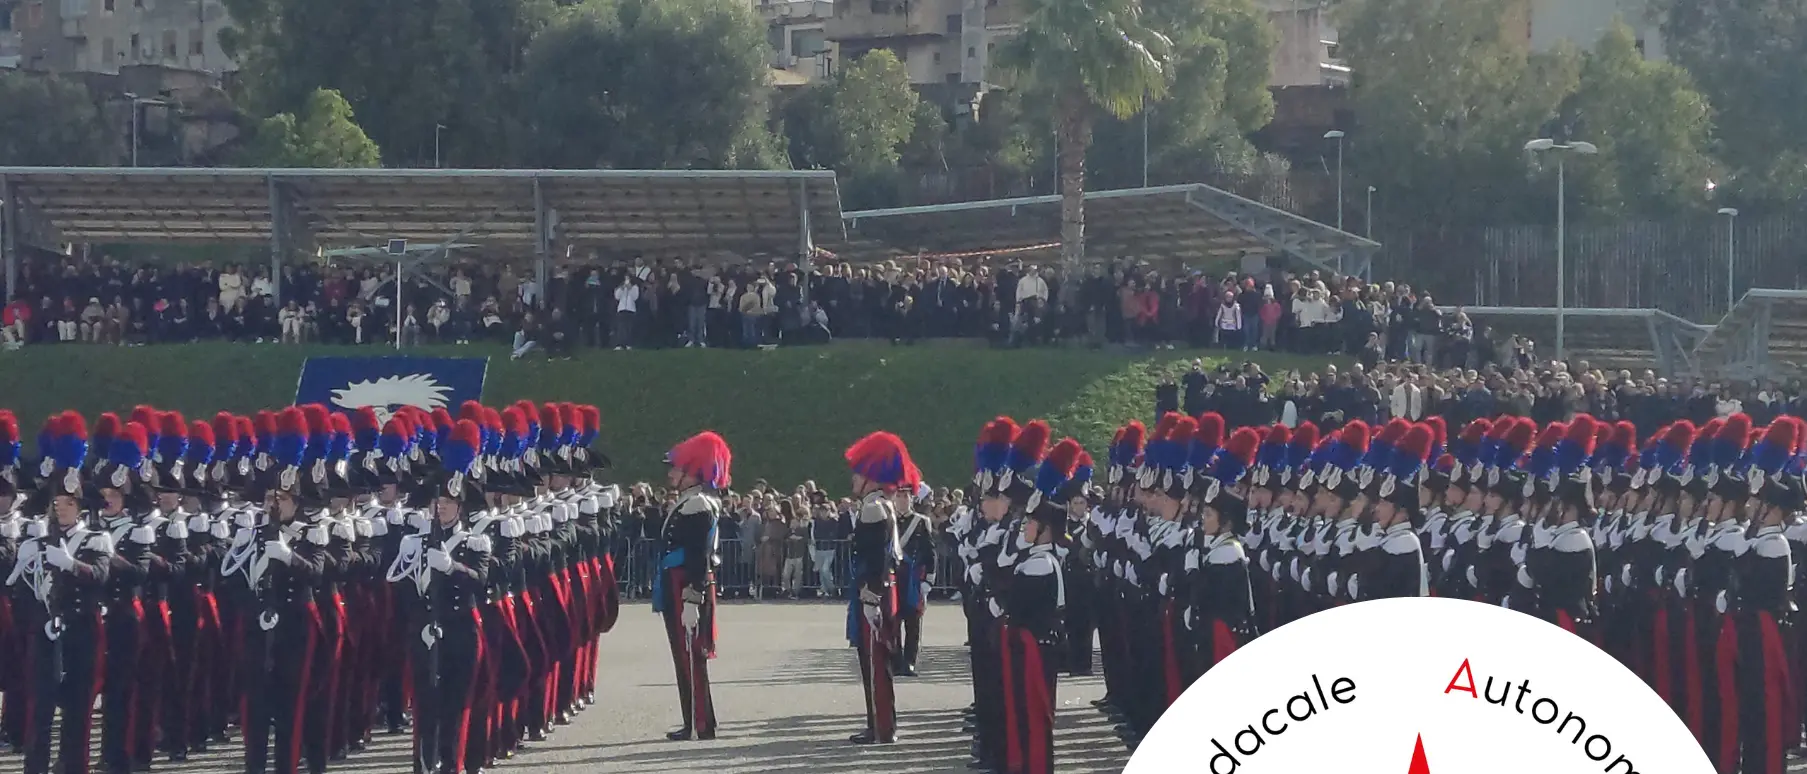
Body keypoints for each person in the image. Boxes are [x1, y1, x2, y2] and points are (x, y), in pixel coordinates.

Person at [10, 413, 112, 774]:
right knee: (41, 705)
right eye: (57, 504)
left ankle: (74, 766)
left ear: (80, 507)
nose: (61, 508)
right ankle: (34, 767)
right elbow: (21, 588)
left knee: (79, 707)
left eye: (68, 504)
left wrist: (70, 564)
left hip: (82, 627)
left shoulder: (96, 539)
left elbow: (100, 575)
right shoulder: (38, 538)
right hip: (46, 629)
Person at [998, 436, 1077, 774]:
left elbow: (1013, 601)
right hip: (1034, 645)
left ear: (1044, 530)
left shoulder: (1039, 564)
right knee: (1028, 713)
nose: (1025, 526)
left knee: (1035, 713)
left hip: (1036, 647)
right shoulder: (1034, 559)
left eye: (1031, 523)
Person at [842, 431, 921, 744]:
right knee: (874, 660)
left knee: (875, 662)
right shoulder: (881, 504)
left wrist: (870, 593)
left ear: (872, 478)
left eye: (859, 475)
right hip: (878, 589)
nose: (854, 480)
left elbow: (877, 557)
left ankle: (882, 727)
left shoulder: (874, 508)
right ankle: (879, 724)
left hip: (874, 590)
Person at [655, 430, 731, 741]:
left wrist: (692, 596)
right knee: (685, 655)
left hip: (685, 583)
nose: (671, 473)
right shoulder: (692, 501)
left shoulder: (697, 504)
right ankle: (696, 720)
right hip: (678, 580)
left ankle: (700, 722)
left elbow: (699, 555)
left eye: (676, 468)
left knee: (690, 656)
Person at [894, 482, 936, 677]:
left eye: (906, 496)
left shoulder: (920, 521)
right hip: (894, 577)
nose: (903, 500)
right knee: (893, 621)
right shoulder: (889, 520)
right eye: (899, 496)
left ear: (912, 499)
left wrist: (928, 579)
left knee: (913, 622)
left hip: (912, 578)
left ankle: (909, 662)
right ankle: (895, 660)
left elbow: (930, 551)